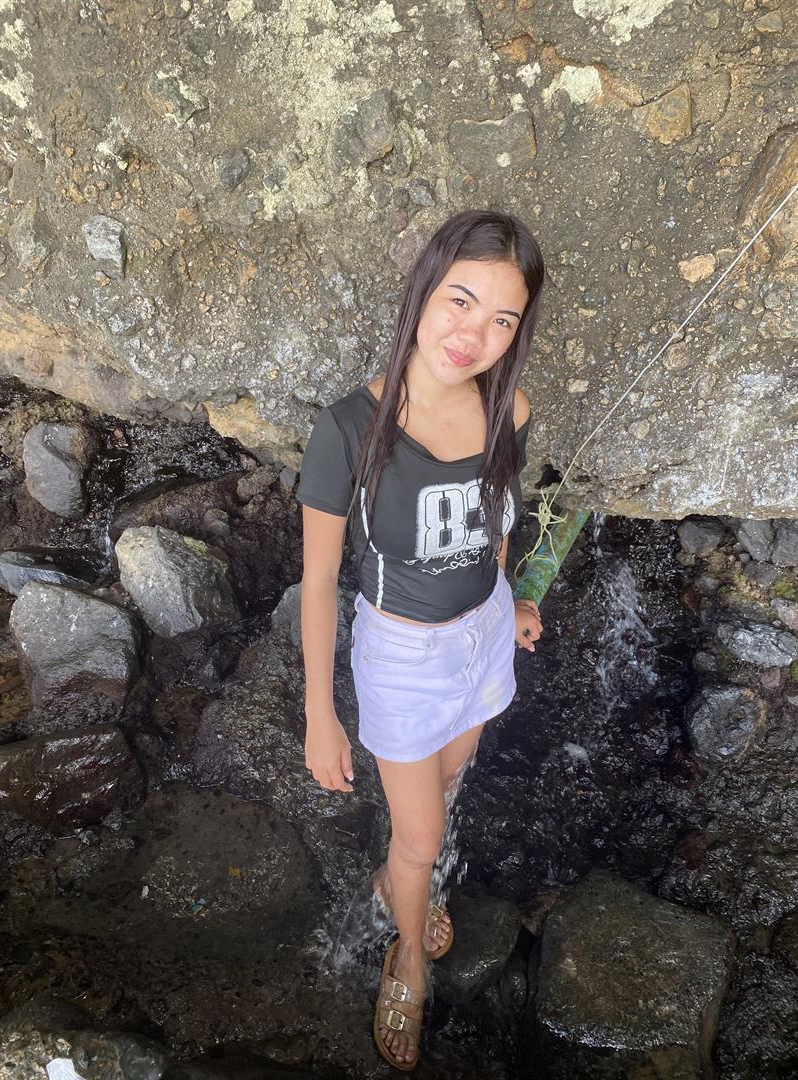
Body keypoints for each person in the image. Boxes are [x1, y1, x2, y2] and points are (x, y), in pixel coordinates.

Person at [295, 209, 545, 1071]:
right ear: (423, 290)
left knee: (447, 782)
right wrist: (320, 715)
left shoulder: (508, 409)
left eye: (502, 319)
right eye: (459, 302)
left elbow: (495, 525)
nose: (472, 335)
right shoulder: (347, 431)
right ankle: (405, 955)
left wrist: (510, 599)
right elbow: (319, 584)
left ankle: (395, 885)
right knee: (421, 840)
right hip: (401, 657)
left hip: (482, 637)